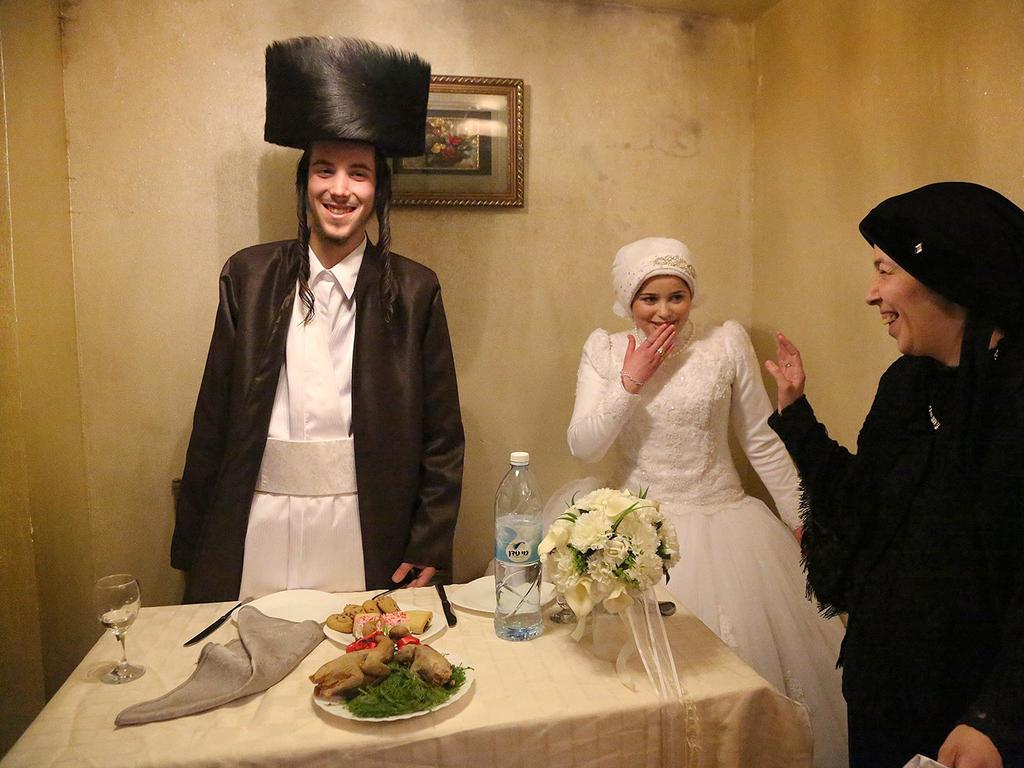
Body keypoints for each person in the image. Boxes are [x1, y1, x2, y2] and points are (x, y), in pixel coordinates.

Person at [171, 37, 464, 603]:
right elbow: (212, 416)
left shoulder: (415, 289)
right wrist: (193, 544)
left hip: (363, 524)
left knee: (351, 669)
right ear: (305, 183)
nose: (339, 189)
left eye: (359, 174)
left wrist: (429, 541)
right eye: (324, 170)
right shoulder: (248, 276)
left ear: (378, 191)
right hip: (259, 515)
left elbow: (443, 435)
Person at [766, 182, 1024, 768]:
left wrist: (995, 719)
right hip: (885, 685)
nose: (872, 293)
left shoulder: (1013, 400)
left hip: (976, 716)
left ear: (947, 275)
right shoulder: (908, 384)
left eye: (885, 270)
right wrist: (796, 416)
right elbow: (868, 503)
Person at [567, 236, 848, 767]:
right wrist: (631, 382)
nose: (664, 311)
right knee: (641, 693)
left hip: (728, 525)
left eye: (678, 296)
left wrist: (801, 519)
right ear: (627, 299)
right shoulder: (604, 349)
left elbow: (761, 439)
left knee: (737, 681)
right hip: (636, 531)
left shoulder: (725, 343)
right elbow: (584, 445)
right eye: (649, 299)